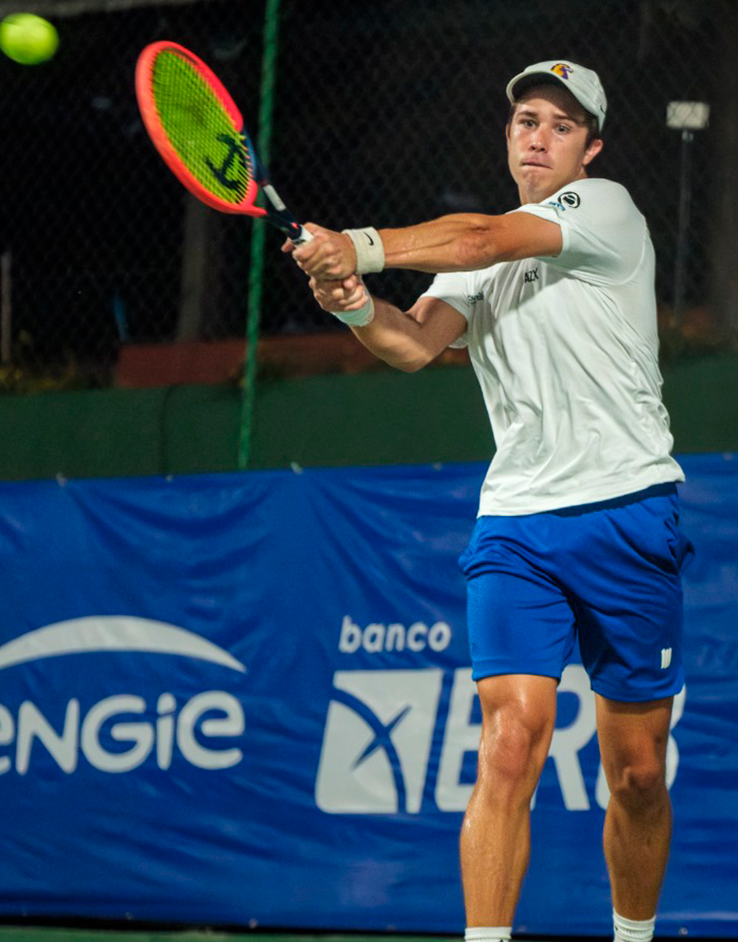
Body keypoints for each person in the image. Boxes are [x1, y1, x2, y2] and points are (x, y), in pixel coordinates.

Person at [285, 59, 693, 942]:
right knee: (509, 744)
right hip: (516, 523)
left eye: (559, 125)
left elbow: (478, 240)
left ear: (590, 149)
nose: (538, 137)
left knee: (637, 773)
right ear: (507, 136)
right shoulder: (474, 255)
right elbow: (412, 344)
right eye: (525, 121)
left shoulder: (605, 210)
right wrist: (354, 303)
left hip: (627, 509)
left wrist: (359, 244)